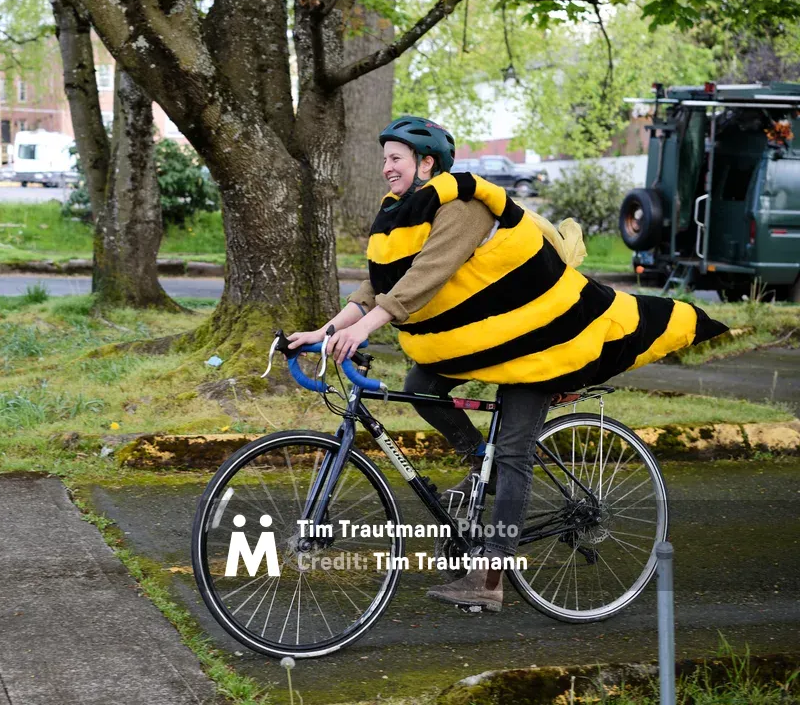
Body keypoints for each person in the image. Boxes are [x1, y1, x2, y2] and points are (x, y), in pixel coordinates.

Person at [287, 115, 727, 612]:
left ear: (426, 163)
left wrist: (361, 331)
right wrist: (324, 331)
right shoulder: (408, 213)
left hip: (540, 341)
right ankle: (482, 463)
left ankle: (491, 577)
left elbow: (426, 277)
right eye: (384, 158)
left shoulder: (465, 207)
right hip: (494, 340)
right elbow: (378, 286)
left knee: (515, 450)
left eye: (395, 159)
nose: (386, 167)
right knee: (423, 384)